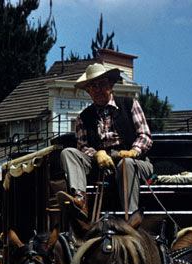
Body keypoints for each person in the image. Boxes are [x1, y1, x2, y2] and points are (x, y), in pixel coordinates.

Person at [57, 63, 154, 218]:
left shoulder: (130, 104)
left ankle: (131, 217)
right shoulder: (83, 117)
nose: (98, 90)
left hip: (135, 162)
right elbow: (83, 146)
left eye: (102, 84)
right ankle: (80, 199)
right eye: (93, 86)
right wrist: (96, 154)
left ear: (111, 85)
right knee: (68, 153)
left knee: (126, 164)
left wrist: (133, 151)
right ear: (88, 90)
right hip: (102, 165)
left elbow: (145, 135)